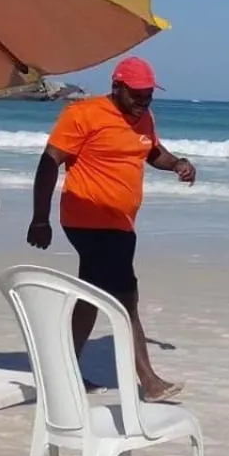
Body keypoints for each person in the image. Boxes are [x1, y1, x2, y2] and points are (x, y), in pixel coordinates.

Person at [26, 56, 194, 401]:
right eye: (136, 95)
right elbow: (48, 162)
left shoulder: (144, 117)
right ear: (116, 87)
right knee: (125, 295)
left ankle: (62, 371)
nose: (142, 102)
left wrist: (176, 163)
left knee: (91, 294)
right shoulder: (82, 114)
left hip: (121, 225)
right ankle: (149, 381)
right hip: (87, 219)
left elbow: (151, 152)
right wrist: (40, 219)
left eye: (148, 95)